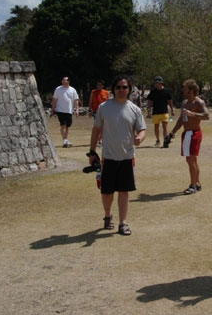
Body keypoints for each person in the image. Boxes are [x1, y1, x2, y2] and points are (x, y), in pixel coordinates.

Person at [88, 75, 146, 235]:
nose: (122, 90)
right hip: (108, 157)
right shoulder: (104, 107)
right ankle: (108, 216)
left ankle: (123, 223)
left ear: (129, 89)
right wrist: (92, 152)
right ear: (113, 89)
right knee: (107, 192)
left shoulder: (134, 109)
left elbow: (142, 129)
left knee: (124, 191)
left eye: (125, 87)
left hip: (127, 156)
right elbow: (96, 130)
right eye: (118, 87)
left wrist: (139, 138)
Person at [167, 79, 210, 194]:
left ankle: (193, 185)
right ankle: (197, 183)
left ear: (191, 90)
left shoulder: (198, 103)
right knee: (191, 160)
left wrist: (193, 114)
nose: (183, 90)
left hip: (195, 133)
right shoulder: (185, 103)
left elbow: (207, 116)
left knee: (191, 159)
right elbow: (181, 120)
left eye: (185, 88)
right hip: (186, 134)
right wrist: (172, 133)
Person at [146, 76, 175, 147]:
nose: (157, 84)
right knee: (156, 127)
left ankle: (165, 140)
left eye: (158, 82)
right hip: (156, 112)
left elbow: (170, 101)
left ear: (161, 83)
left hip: (164, 111)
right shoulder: (153, 91)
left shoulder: (167, 91)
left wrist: (172, 109)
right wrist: (148, 110)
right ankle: (158, 140)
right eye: (156, 82)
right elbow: (150, 101)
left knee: (165, 126)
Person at [51, 76, 79, 148]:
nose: (63, 82)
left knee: (67, 126)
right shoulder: (58, 89)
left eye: (65, 80)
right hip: (60, 110)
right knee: (62, 125)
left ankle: (65, 139)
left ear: (68, 81)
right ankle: (64, 140)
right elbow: (54, 99)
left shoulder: (73, 90)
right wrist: (53, 109)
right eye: (62, 80)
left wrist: (77, 109)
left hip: (69, 110)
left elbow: (76, 100)